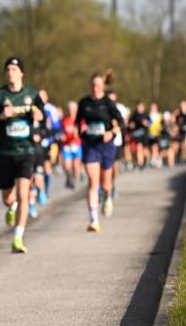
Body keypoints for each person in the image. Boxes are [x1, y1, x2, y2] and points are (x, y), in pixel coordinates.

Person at [0, 57, 44, 254]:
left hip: (26, 152)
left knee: (23, 193)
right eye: (8, 69)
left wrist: (38, 117)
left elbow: (43, 118)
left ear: (21, 73)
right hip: (6, 153)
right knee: (8, 198)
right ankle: (12, 208)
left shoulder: (32, 95)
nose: (11, 72)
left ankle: (18, 237)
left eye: (14, 69)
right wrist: (1, 116)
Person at [77, 72, 125, 232]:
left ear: (103, 86)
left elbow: (121, 124)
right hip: (90, 145)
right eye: (92, 85)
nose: (95, 88)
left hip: (106, 146)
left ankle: (107, 196)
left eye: (98, 85)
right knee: (92, 181)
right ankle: (94, 220)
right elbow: (79, 123)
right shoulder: (84, 103)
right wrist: (82, 130)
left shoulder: (108, 104)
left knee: (105, 184)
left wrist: (111, 133)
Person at [60, 101, 83, 188]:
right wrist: (61, 136)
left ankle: (73, 180)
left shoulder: (79, 120)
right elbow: (60, 131)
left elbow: (83, 131)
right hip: (66, 146)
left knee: (76, 166)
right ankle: (69, 177)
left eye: (73, 110)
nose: (71, 111)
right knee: (66, 165)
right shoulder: (64, 120)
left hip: (77, 145)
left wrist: (78, 134)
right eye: (69, 109)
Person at [127, 101, 151, 170]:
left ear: (143, 107)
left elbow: (151, 122)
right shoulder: (134, 114)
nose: (139, 108)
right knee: (138, 148)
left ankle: (148, 160)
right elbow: (130, 123)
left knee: (145, 149)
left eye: (141, 107)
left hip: (145, 134)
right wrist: (131, 125)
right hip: (137, 134)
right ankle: (140, 163)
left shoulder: (146, 114)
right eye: (138, 107)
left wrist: (146, 123)